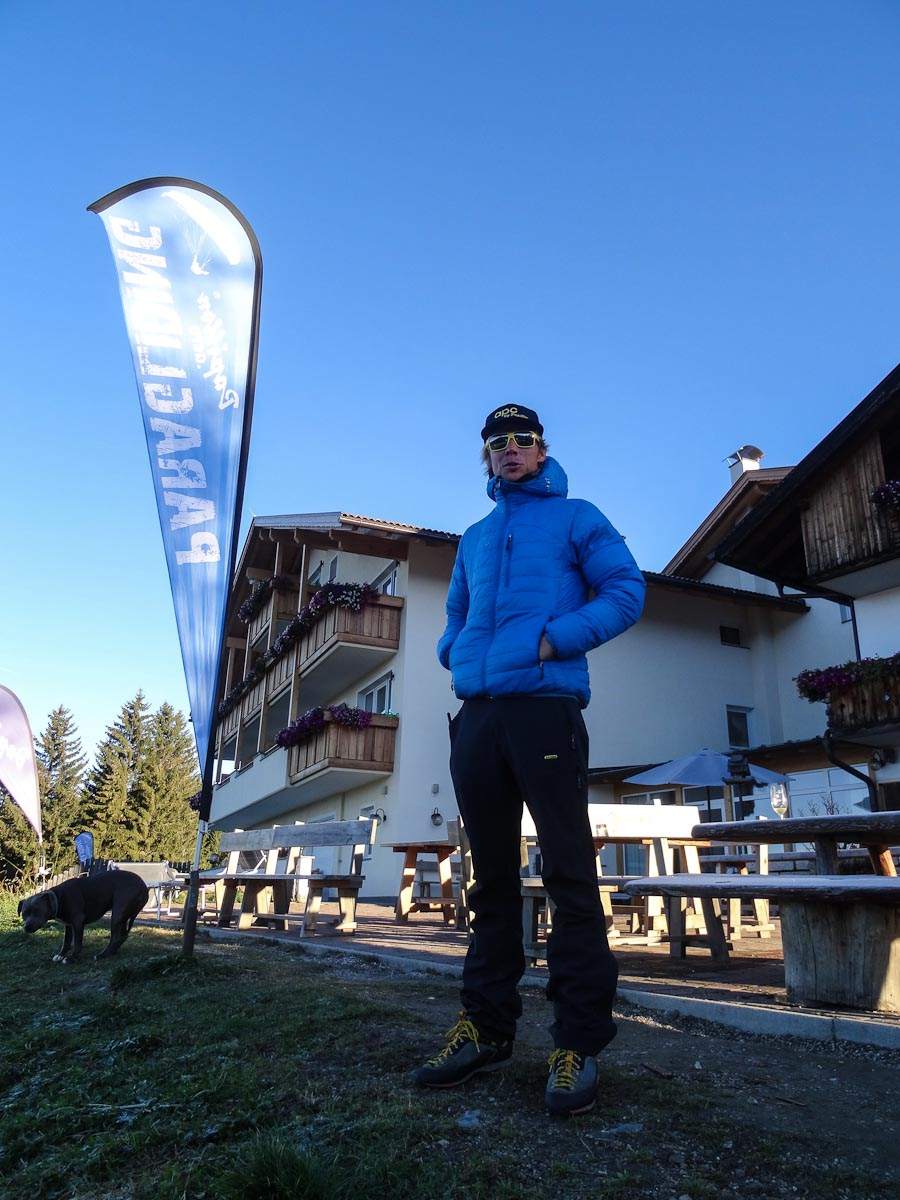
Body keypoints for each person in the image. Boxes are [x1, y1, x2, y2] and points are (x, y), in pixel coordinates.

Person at [415, 403, 646, 1116]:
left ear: (542, 451)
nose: (510, 450)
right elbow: (456, 616)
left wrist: (552, 642)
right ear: (486, 458)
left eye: (522, 440)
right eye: (498, 443)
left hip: (545, 707)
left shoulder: (577, 517)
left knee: (569, 873)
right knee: (489, 882)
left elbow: (626, 591)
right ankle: (484, 1031)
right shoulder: (475, 538)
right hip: (478, 714)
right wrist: (456, 653)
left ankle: (577, 1043)